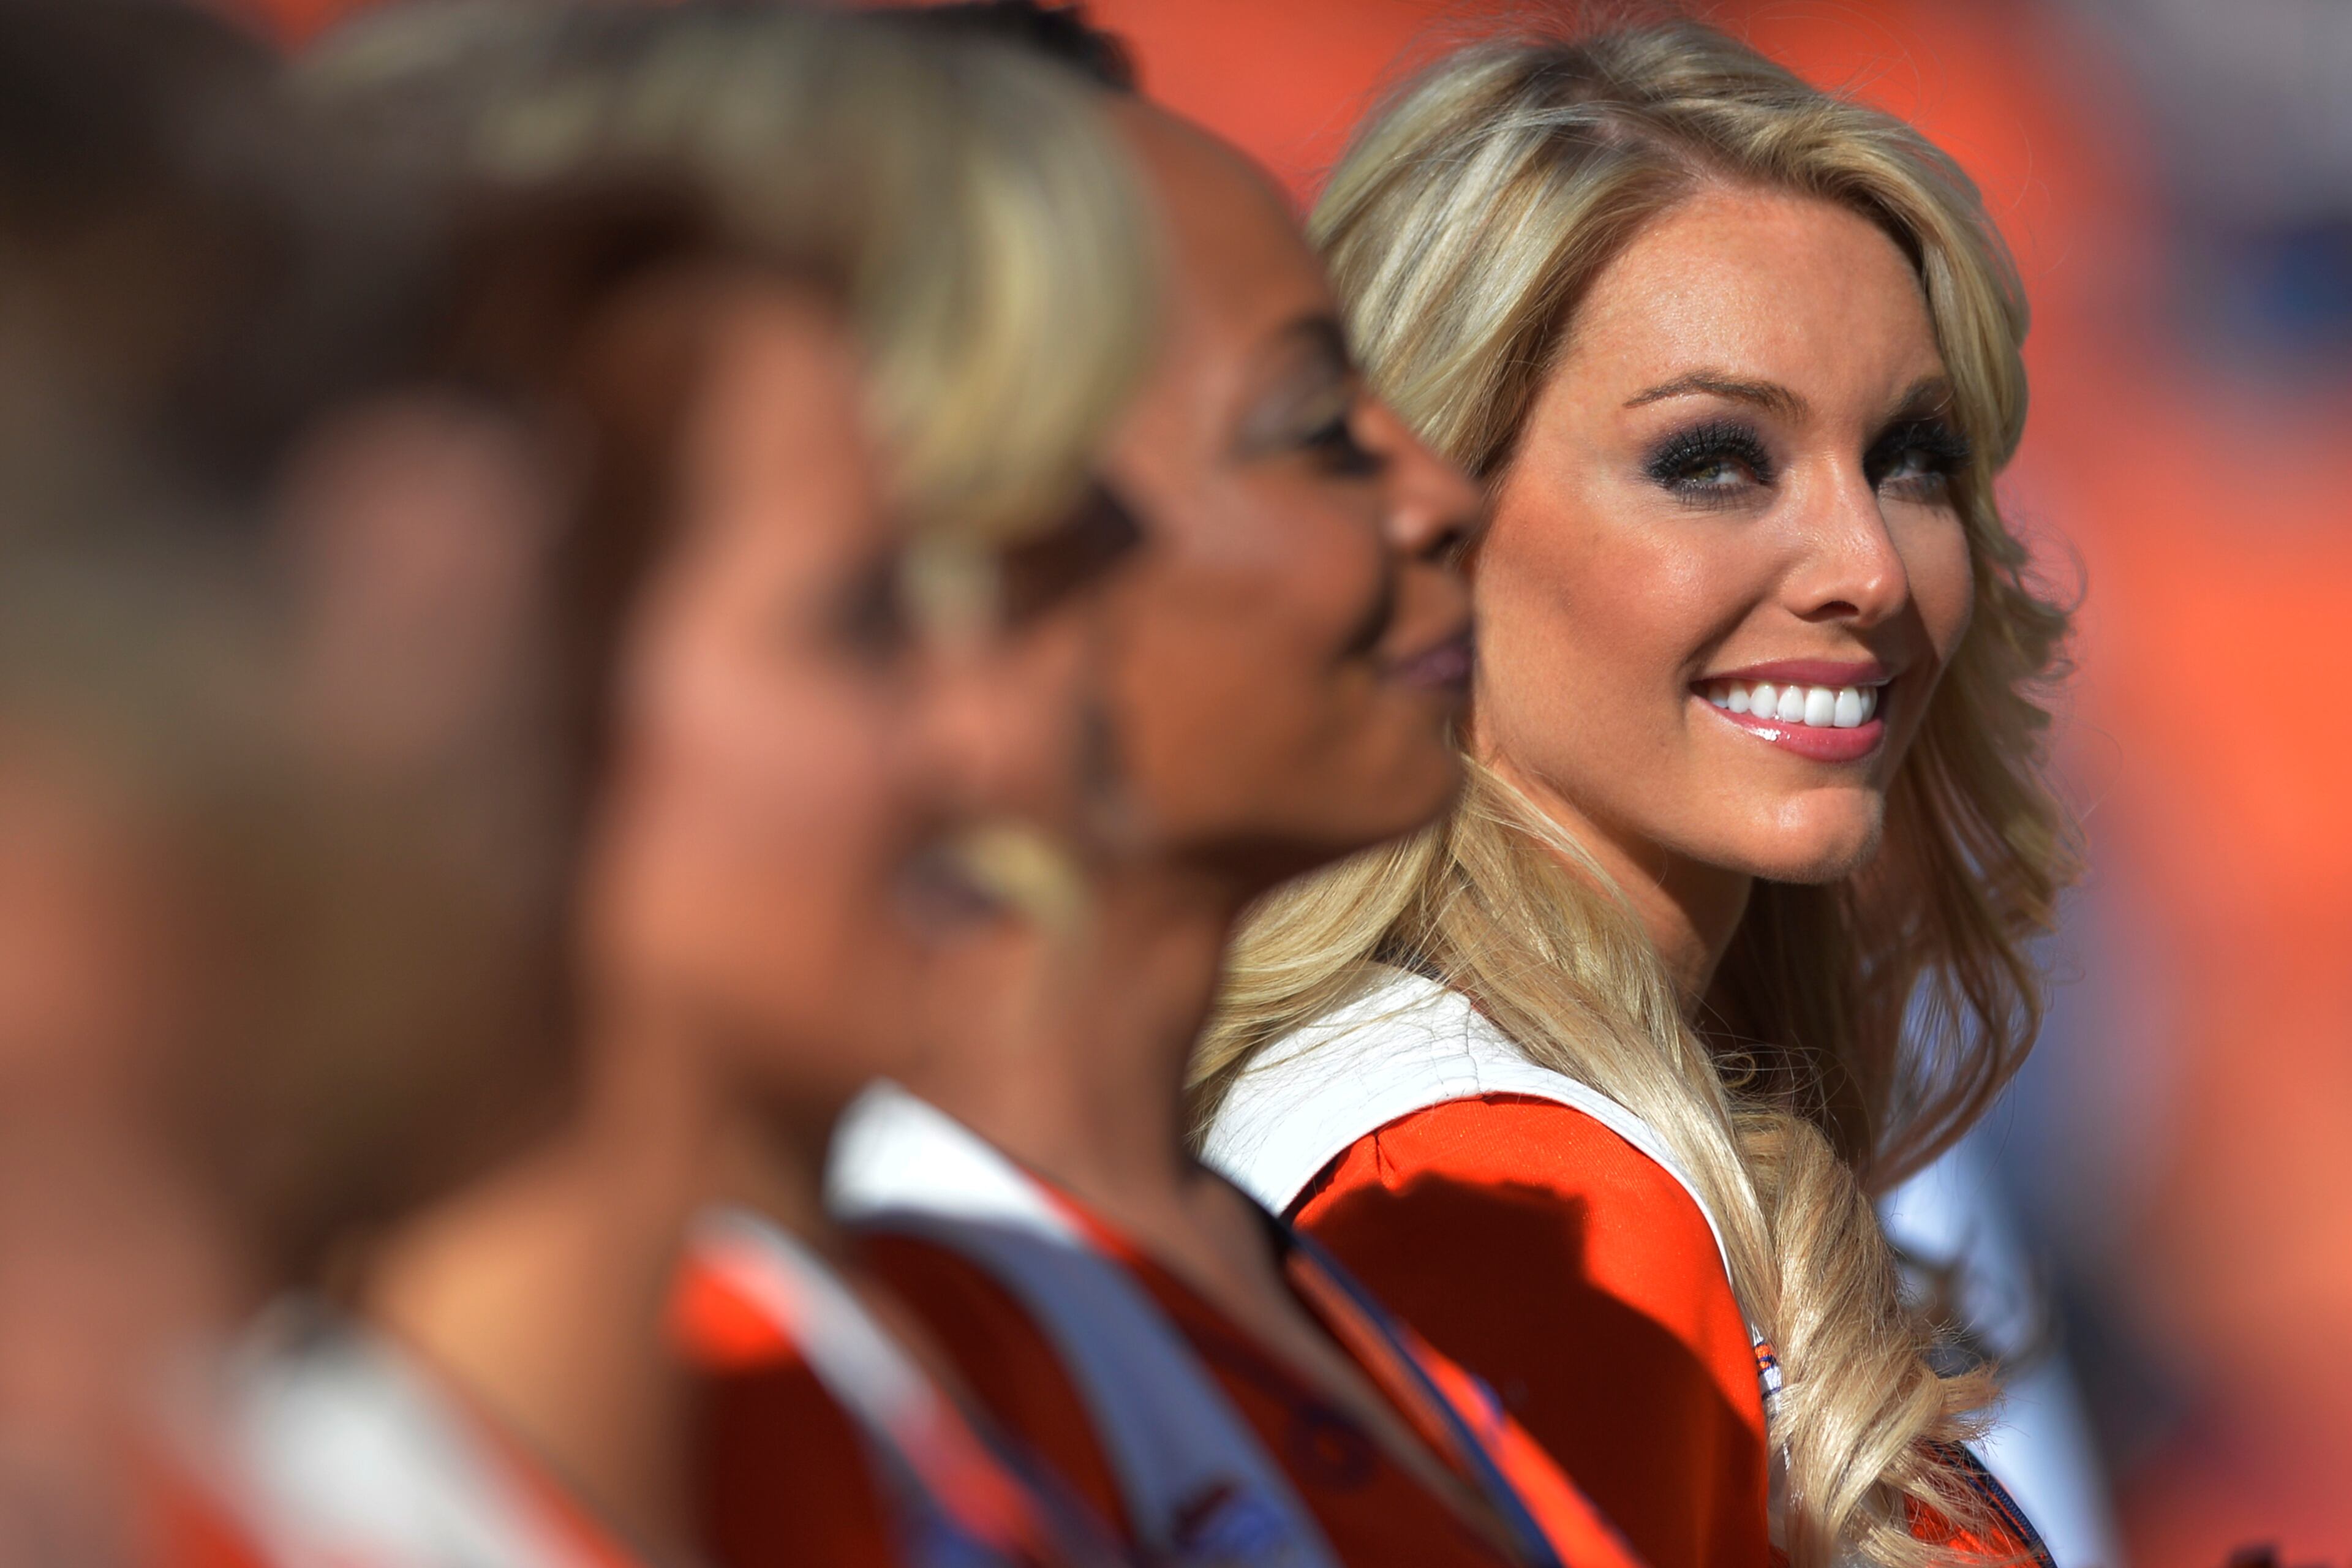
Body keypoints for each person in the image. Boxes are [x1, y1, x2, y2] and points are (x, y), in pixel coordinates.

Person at [273, 4, 1161, 1564]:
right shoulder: (253, 1508)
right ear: (474, 652)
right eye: (873, 611)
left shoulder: (861, 1409)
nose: (985, 733)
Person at [1189, 20, 2079, 1568]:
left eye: (1911, 457)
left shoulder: (1548, 1138)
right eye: (1715, 459)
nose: (1868, 568)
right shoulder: (1496, 1188)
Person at [829, 12, 1638, 1568]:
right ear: (986, 543)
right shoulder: (886, 1342)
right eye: (1314, 428)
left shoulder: (1281, 1283)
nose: (1438, 496)